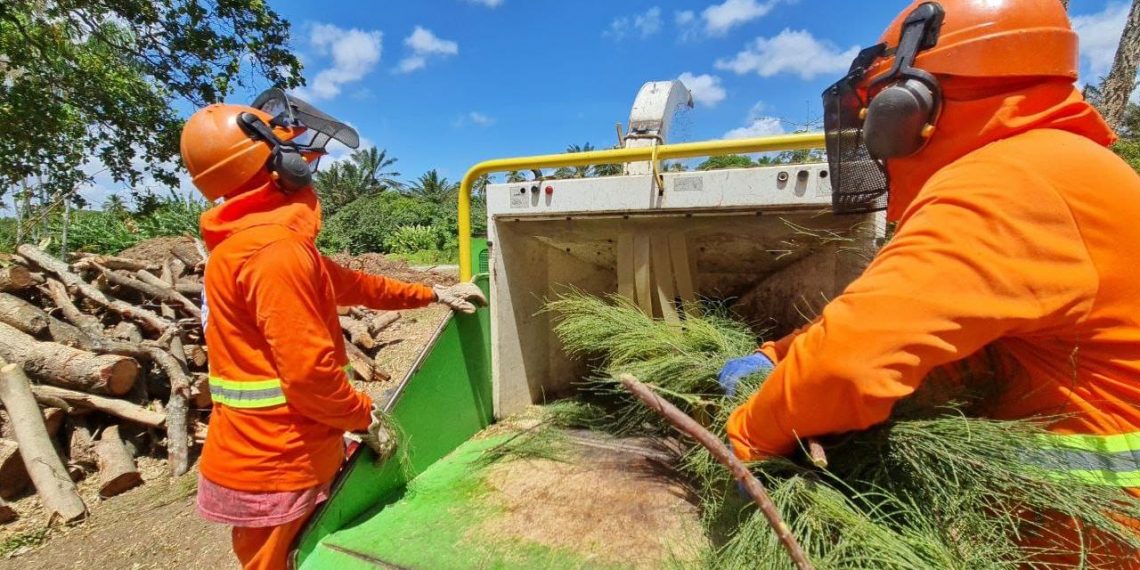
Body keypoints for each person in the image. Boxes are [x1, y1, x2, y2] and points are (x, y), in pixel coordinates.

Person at [719, 0, 1140, 563]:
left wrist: (744, 435)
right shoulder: (1061, 168)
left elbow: (848, 363)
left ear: (913, 103)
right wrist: (781, 355)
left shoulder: (1007, 185)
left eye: (874, 112)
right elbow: (932, 328)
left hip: (1092, 542)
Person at [180, 90, 486, 570]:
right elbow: (309, 377)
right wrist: (363, 417)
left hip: (270, 452)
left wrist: (432, 294)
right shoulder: (274, 255)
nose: (306, 162)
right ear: (278, 167)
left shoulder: (253, 244)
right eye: (294, 151)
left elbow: (354, 283)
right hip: (280, 464)